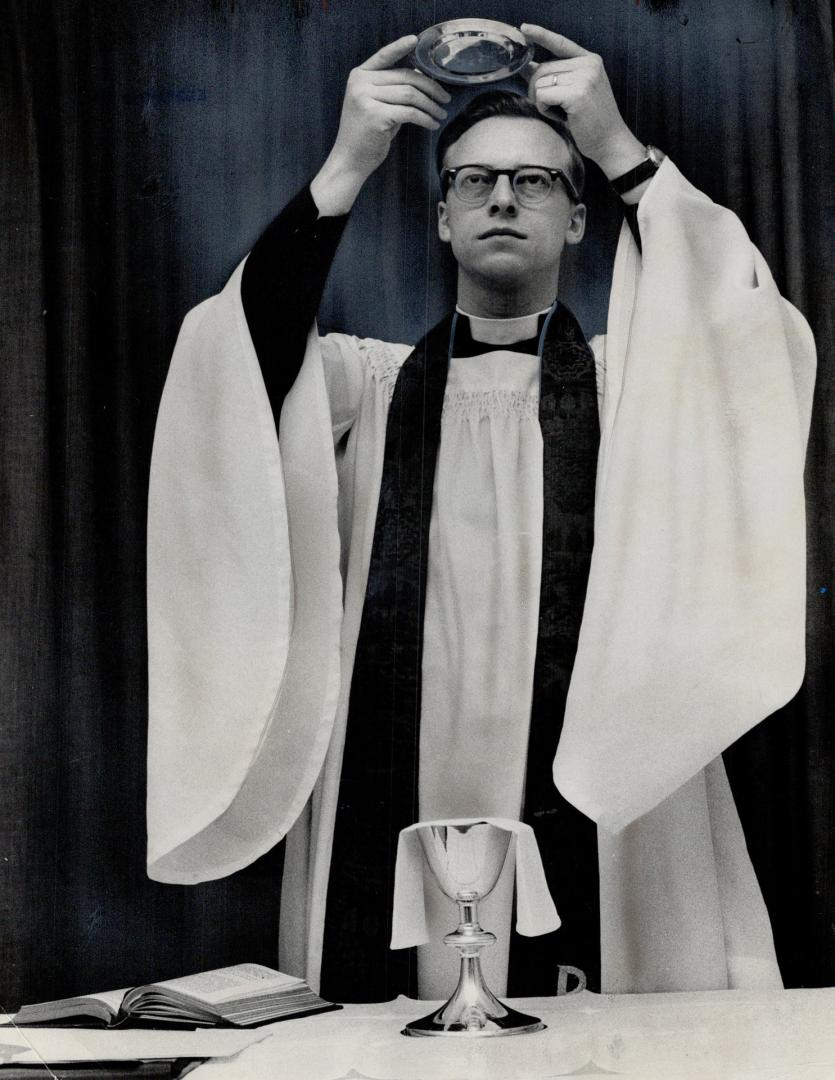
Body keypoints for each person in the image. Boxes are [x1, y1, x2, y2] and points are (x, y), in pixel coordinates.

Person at [146, 25, 816, 1002]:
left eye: (537, 180)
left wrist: (619, 150)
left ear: (580, 218)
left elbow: (748, 339)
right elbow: (236, 371)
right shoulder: (363, 384)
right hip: (400, 767)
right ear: (440, 219)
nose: (503, 197)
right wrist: (347, 164)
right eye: (473, 181)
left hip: (601, 772)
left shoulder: (638, 388)